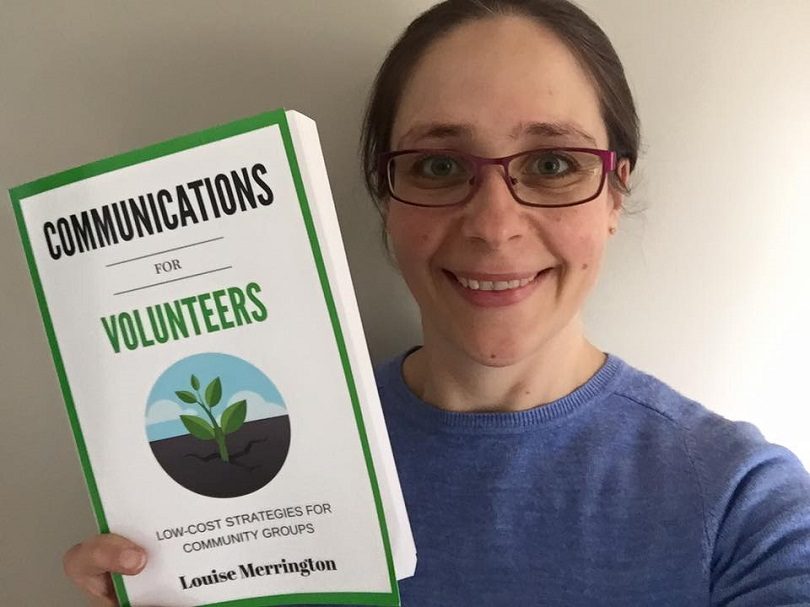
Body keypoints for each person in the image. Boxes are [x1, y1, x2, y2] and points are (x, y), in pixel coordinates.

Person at [63, 0, 810, 605]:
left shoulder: (745, 509)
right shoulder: (246, 468)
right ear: (386, 196)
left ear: (616, 191)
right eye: (439, 164)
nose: (492, 226)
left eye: (553, 163)